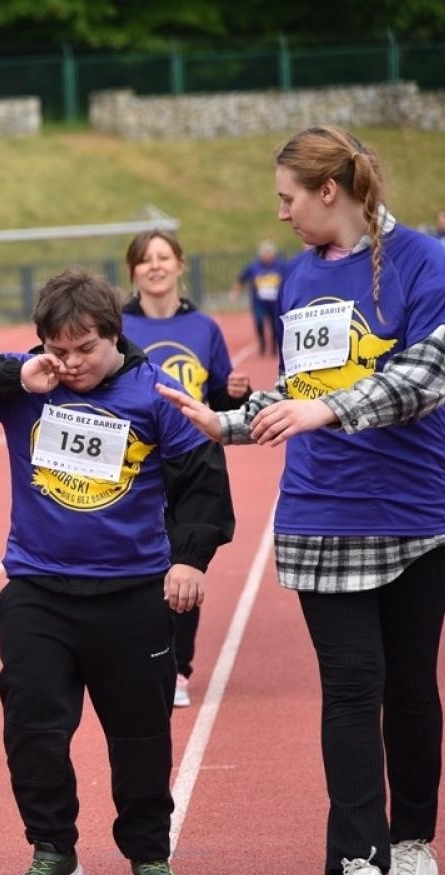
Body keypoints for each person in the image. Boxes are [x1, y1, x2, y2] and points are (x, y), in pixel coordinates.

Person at [158, 125, 445, 875]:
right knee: (350, 684)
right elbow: (299, 391)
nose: (282, 214)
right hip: (320, 514)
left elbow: (427, 376)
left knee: (409, 684)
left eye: (287, 198)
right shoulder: (299, 277)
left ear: (328, 191)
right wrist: (225, 422)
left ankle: (414, 846)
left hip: (417, 514)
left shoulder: (422, 261)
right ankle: (362, 865)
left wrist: (327, 408)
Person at [0, 267, 234, 875]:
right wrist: (16, 375)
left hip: (133, 593)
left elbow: (203, 479)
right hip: (39, 590)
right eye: (58, 349)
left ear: (114, 338)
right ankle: (53, 849)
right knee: (33, 727)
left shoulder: (157, 394)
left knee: (140, 734)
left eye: (85, 349)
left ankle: (149, 851)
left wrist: (190, 558)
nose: (70, 364)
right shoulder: (29, 382)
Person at [123, 229, 249, 710]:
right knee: (135, 563)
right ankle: (136, 657)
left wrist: (233, 393)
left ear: (180, 264)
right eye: (145, 259)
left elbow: (216, 398)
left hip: (191, 461)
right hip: (133, 463)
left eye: (163, 257)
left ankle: (176, 666)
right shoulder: (115, 326)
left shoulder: (203, 327)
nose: (155, 266)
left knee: (185, 559)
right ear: (132, 270)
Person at [229, 240, 287, 358]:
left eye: (269, 253)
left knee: (275, 325)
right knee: (259, 322)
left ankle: (274, 347)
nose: (267, 255)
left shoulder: (280, 266)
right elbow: (241, 279)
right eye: (265, 253)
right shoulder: (254, 266)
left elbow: (289, 279)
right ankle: (262, 344)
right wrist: (235, 292)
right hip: (258, 302)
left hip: (275, 302)